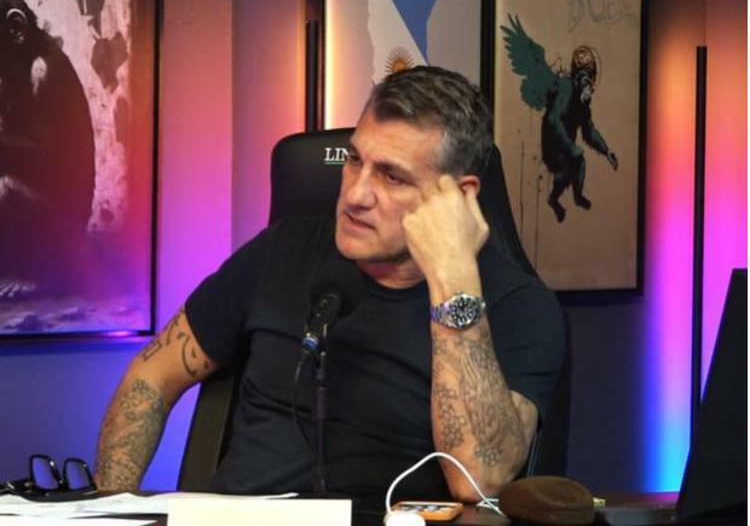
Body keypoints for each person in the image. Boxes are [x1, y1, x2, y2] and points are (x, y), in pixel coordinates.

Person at [94, 66, 564, 502]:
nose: (356, 194)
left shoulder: (518, 305)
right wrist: (110, 507)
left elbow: (478, 477)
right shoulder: (280, 251)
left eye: (392, 177)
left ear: (459, 197)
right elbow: (151, 377)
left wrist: (454, 279)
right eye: (355, 160)